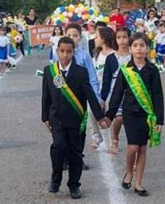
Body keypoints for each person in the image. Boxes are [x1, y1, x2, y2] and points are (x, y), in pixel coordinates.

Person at [41, 36, 109, 199]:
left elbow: (90, 95)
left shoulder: (80, 72)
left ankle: (74, 185)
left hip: (76, 119)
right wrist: (45, 117)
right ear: (57, 51)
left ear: (74, 53)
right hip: (56, 118)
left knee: (75, 152)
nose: (65, 55)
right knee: (58, 147)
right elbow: (46, 96)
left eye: (69, 52)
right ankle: (55, 179)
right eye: (62, 51)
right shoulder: (49, 71)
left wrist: (100, 117)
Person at [106, 32, 164, 197]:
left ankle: (138, 183)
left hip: (147, 114)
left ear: (147, 48)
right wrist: (109, 116)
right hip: (130, 112)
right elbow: (117, 94)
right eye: (136, 46)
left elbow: (158, 95)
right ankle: (129, 172)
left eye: (142, 45)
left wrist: (160, 119)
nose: (139, 49)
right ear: (130, 49)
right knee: (133, 146)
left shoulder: (152, 70)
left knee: (143, 148)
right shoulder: (125, 70)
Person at [102, 27, 131, 154]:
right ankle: (115, 140)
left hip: (132, 92)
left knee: (132, 120)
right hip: (116, 92)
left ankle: (133, 143)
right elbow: (106, 80)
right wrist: (102, 98)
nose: (122, 40)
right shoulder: (111, 58)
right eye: (119, 37)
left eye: (124, 37)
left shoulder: (134, 56)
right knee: (118, 118)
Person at [92, 26, 116, 149]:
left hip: (110, 90)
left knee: (110, 114)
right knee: (92, 111)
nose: (95, 39)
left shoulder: (113, 55)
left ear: (104, 38)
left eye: (97, 36)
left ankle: (113, 140)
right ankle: (96, 136)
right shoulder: (96, 54)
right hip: (97, 89)